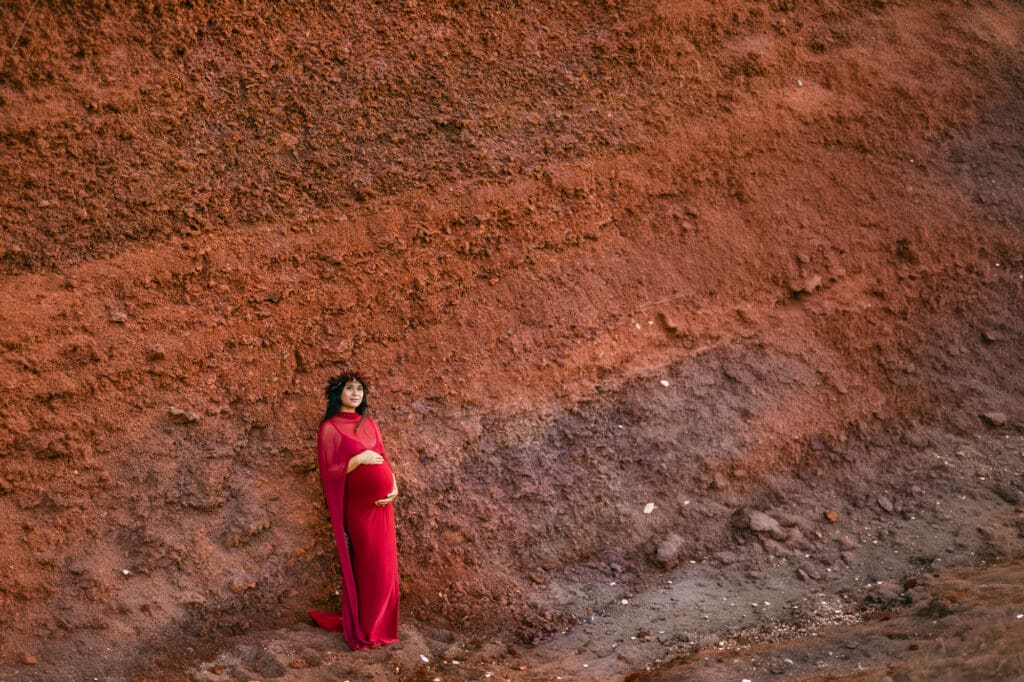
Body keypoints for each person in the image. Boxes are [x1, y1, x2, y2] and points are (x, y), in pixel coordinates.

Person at [308, 370, 399, 649]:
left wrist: (393, 484)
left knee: (388, 568)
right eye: (350, 388)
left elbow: (383, 456)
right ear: (338, 394)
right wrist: (358, 459)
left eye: (359, 389)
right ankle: (368, 629)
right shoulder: (330, 428)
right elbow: (330, 471)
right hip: (359, 509)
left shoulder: (369, 423)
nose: (356, 393)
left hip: (383, 505)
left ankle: (380, 624)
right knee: (371, 565)